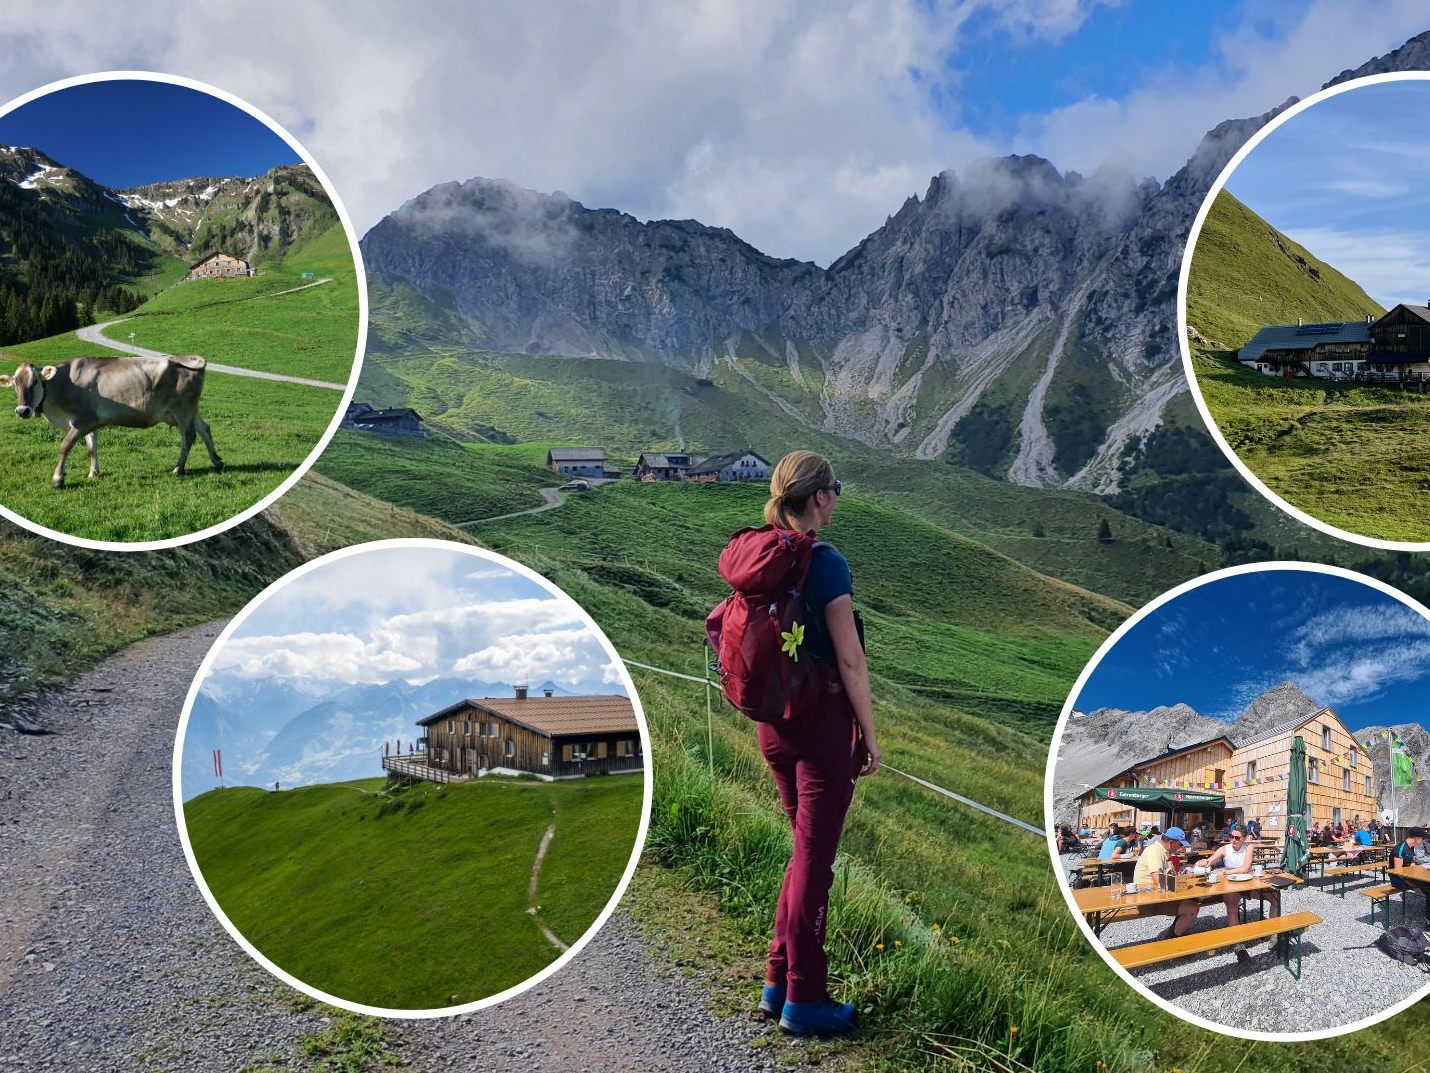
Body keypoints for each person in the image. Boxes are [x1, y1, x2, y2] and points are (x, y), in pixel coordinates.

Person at [744, 451, 879, 1037]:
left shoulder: (763, 556)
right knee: (815, 864)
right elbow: (850, 657)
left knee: (802, 855)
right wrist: (868, 734)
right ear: (820, 497)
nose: (837, 500)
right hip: (821, 729)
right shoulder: (825, 563)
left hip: (773, 726)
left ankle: (778, 981)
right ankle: (805, 998)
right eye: (836, 491)